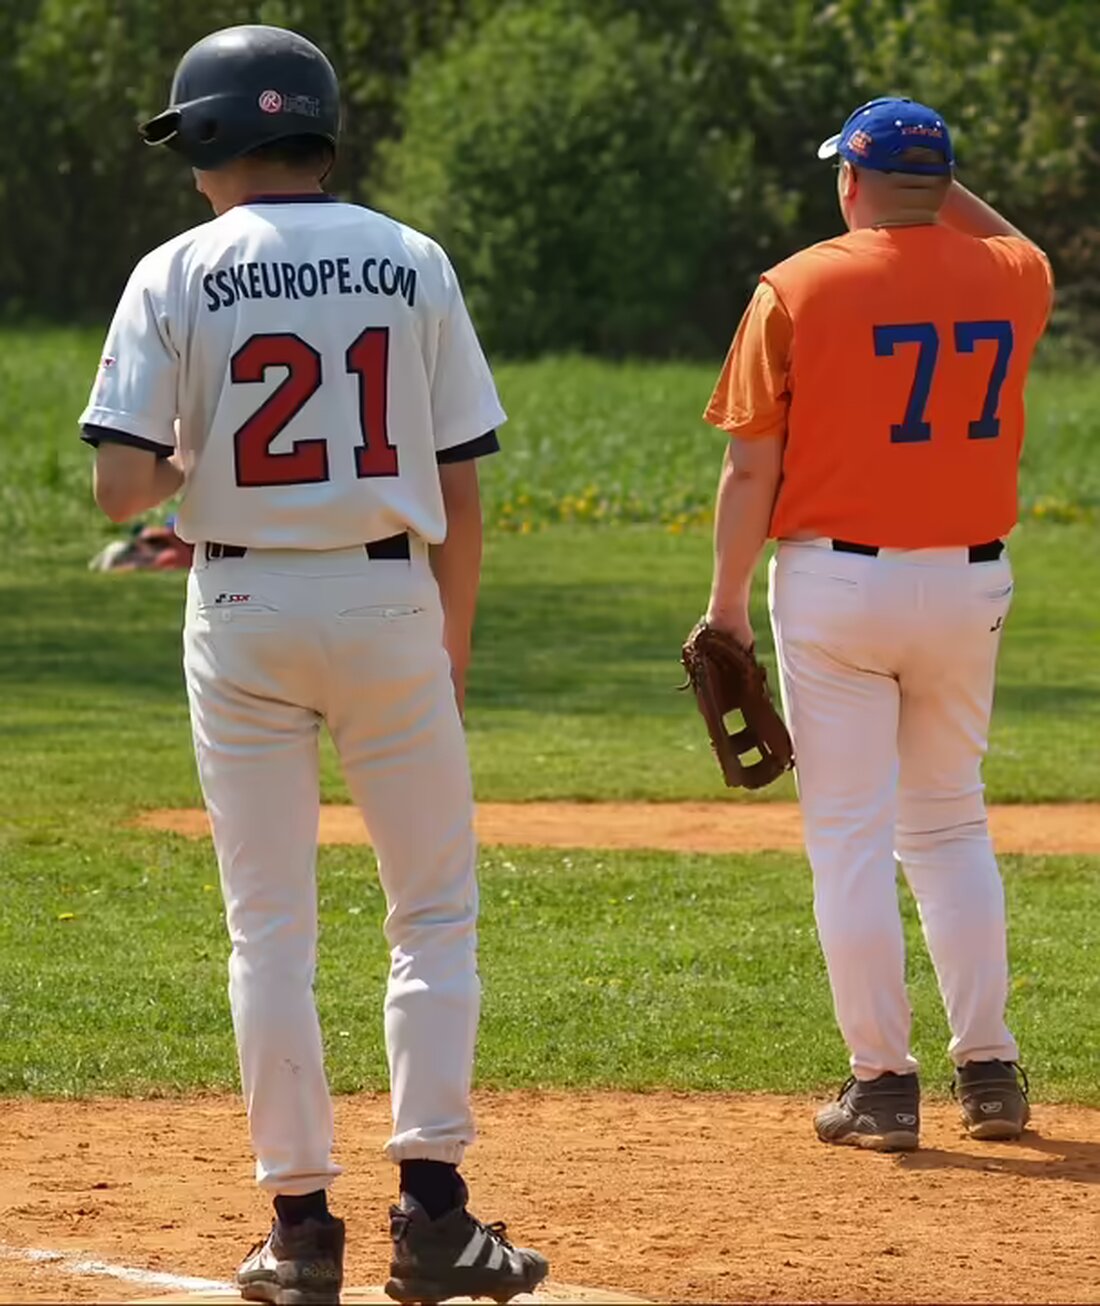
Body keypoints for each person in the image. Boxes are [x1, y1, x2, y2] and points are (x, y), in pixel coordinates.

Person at [79, 24, 548, 1305]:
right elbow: (457, 472)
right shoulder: (413, 257)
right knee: (431, 910)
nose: (189, 169)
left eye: (193, 143)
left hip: (237, 595)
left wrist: (196, 448)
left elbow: (124, 482)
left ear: (223, 138)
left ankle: (298, 1233)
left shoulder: (175, 269)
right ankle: (436, 1217)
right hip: (392, 595)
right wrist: (448, 643)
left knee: (269, 927)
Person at [701, 97, 1052, 1151]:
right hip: (966, 585)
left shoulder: (794, 285)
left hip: (834, 589)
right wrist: (934, 181)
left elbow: (749, 463)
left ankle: (881, 1085)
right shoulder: (1013, 277)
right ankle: (987, 1071)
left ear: (848, 180)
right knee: (947, 821)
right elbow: (1010, 241)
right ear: (942, 187)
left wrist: (723, 604)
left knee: (849, 837)